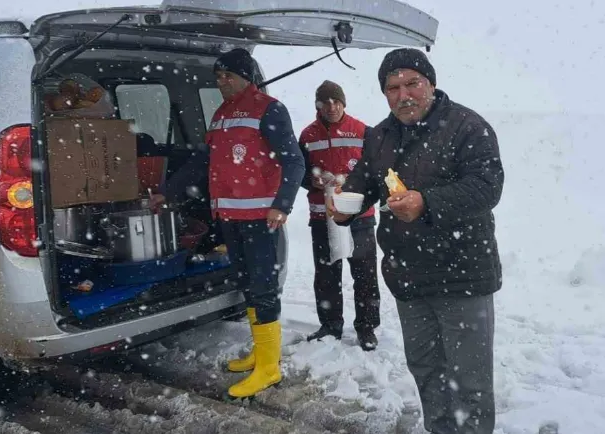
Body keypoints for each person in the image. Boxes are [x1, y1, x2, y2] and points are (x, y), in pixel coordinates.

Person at [327, 48, 504, 433]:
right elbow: (364, 181)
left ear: (431, 84)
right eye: (393, 88)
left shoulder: (467, 127)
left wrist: (427, 201)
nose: (403, 95)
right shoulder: (380, 135)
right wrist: (345, 204)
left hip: (462, 276)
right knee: (426, 371)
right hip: (408, 278)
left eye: (412, 84)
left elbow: (487, 187)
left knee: (469, 381)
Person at [204, 48, 305, 399]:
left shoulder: (269, 108)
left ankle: (270, 367)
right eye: (218, 76)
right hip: (229, 217)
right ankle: (259, 354)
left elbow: (295, 162)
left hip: (261, 219)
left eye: (228, 75)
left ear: (246, 77)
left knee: (263, 288)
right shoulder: (220, 113)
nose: (221, 81)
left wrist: (282, 206)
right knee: (246, 284)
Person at [298, 80, 380, 351]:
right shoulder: (307, 136)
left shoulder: (363, 131)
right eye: (326, 102)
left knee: (365, 275)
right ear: (317, 105)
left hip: (359, 217)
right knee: (326, 275)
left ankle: (366, 328)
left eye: (337, 101)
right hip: (322, 217)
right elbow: (298, 172)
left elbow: (374, 173)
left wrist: (352, 184)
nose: (332, 107)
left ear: (344, 103)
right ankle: (330, 325)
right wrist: (313, 179)